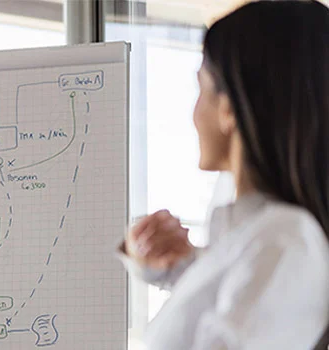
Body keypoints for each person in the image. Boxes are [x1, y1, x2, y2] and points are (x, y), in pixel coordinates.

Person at [118, 1, 329, 349]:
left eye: (200, 88)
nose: (193, 112)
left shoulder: (285, 240)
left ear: (229, 107)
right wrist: (176, 266)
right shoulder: (265, 240)